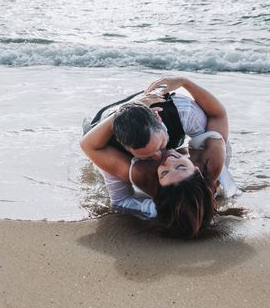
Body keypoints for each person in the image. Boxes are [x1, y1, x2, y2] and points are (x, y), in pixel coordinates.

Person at [80, 76, 236, 238]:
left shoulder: (140, 171)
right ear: (196, 170)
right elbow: (218, 115)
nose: (167, 159)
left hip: (142, 118)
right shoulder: (186, 116)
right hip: (102, 126)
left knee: (216, 148)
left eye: (164, 172)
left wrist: (152, 208)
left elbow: (121, 202)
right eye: (180, 166)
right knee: (219, 146)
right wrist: (184, 82)